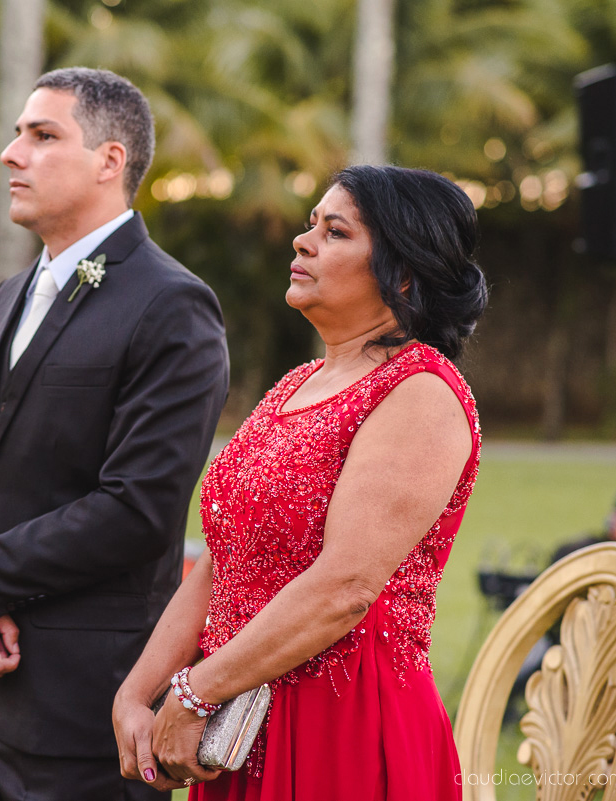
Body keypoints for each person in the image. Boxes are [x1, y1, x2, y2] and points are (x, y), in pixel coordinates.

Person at [114, 165, 488, 800]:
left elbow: (345, 587)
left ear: (400, 273)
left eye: (335, 231)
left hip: (342, 719)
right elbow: (225, 558)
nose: (303, 241)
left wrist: (195, 691)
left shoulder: (421, 392)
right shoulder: (296, 384)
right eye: (311, 224)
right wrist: (138, 692)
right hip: (237, 714)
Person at [0, 67, 229, 800]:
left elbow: (137, 508)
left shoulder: (172, 305)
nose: (10, 154)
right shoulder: (9, 294)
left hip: (88, 705)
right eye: (19, 132)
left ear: (110, 160)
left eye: (42, 135)